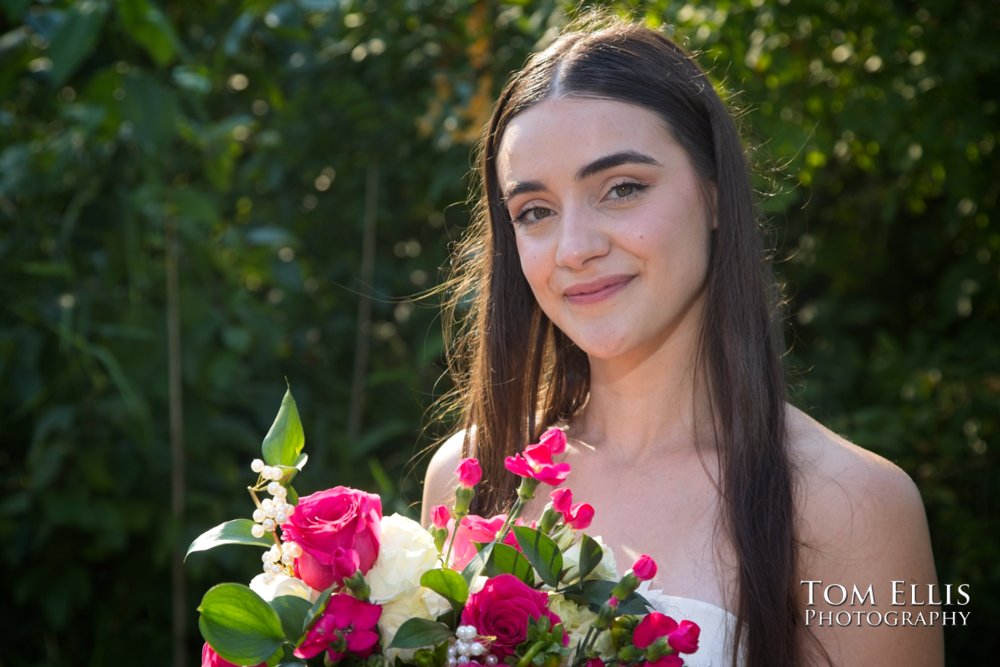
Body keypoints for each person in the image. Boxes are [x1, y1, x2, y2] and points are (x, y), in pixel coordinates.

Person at [421, 16, 942, 667]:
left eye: (623, 189)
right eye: (536, 211)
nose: (575, 248)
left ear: (716, 194)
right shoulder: (471, 478)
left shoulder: (853, 505)